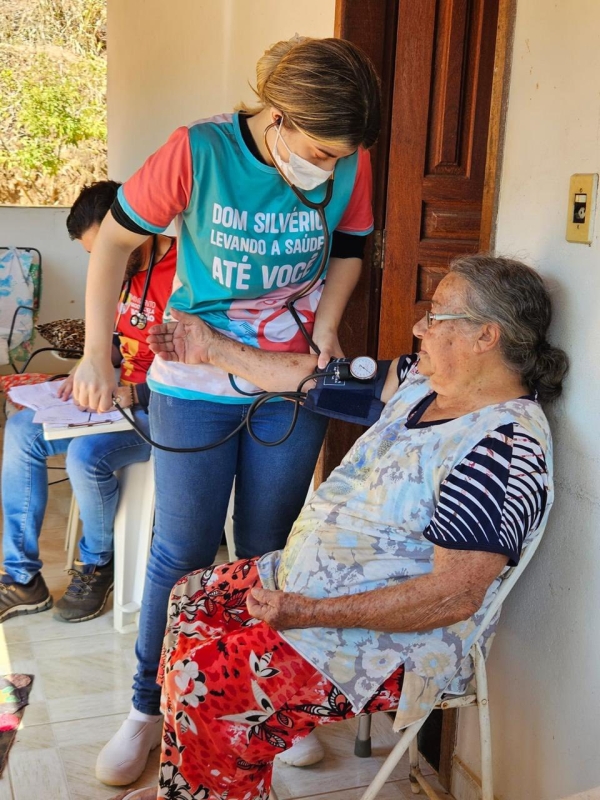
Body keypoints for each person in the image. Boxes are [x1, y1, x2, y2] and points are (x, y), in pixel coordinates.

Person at [107, 254, 568, 800]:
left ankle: (206, 778)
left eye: (436, 315)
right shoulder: (420, 382)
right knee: (191, 598)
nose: (418, 326)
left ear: (486, 335)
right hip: (312, 593)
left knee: (206, 682)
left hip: (389, 641)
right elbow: (314, 379)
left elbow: (453, 596)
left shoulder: (500, 448)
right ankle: (195, 779)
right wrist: (211, 348)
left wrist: (307, 612)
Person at [73, 36, 382, 784]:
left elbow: (350, 247)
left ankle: (259, 703)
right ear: (279, 116)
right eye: (319, 152)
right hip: (193, 377)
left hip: (289, 379)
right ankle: (148, 708)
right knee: (182, 553)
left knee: (267, 550)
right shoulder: (198, 151)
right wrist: (95, 353)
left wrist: (328, 325)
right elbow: (111, 245)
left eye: (341, 156)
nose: (331, 167)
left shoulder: (352, 157)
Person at [0, 181, 176, 624]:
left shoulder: (184, 270)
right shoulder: (118, 272)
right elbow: (118, 342)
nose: (103, 260)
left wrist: (135, 393)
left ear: (133, 224)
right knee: (20, 430)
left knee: (85, 455)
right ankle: (22, 578)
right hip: (119, 402)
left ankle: (98, 562)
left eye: (107, 247)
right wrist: (87, 369)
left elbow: (203, 369)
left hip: (164, 410)